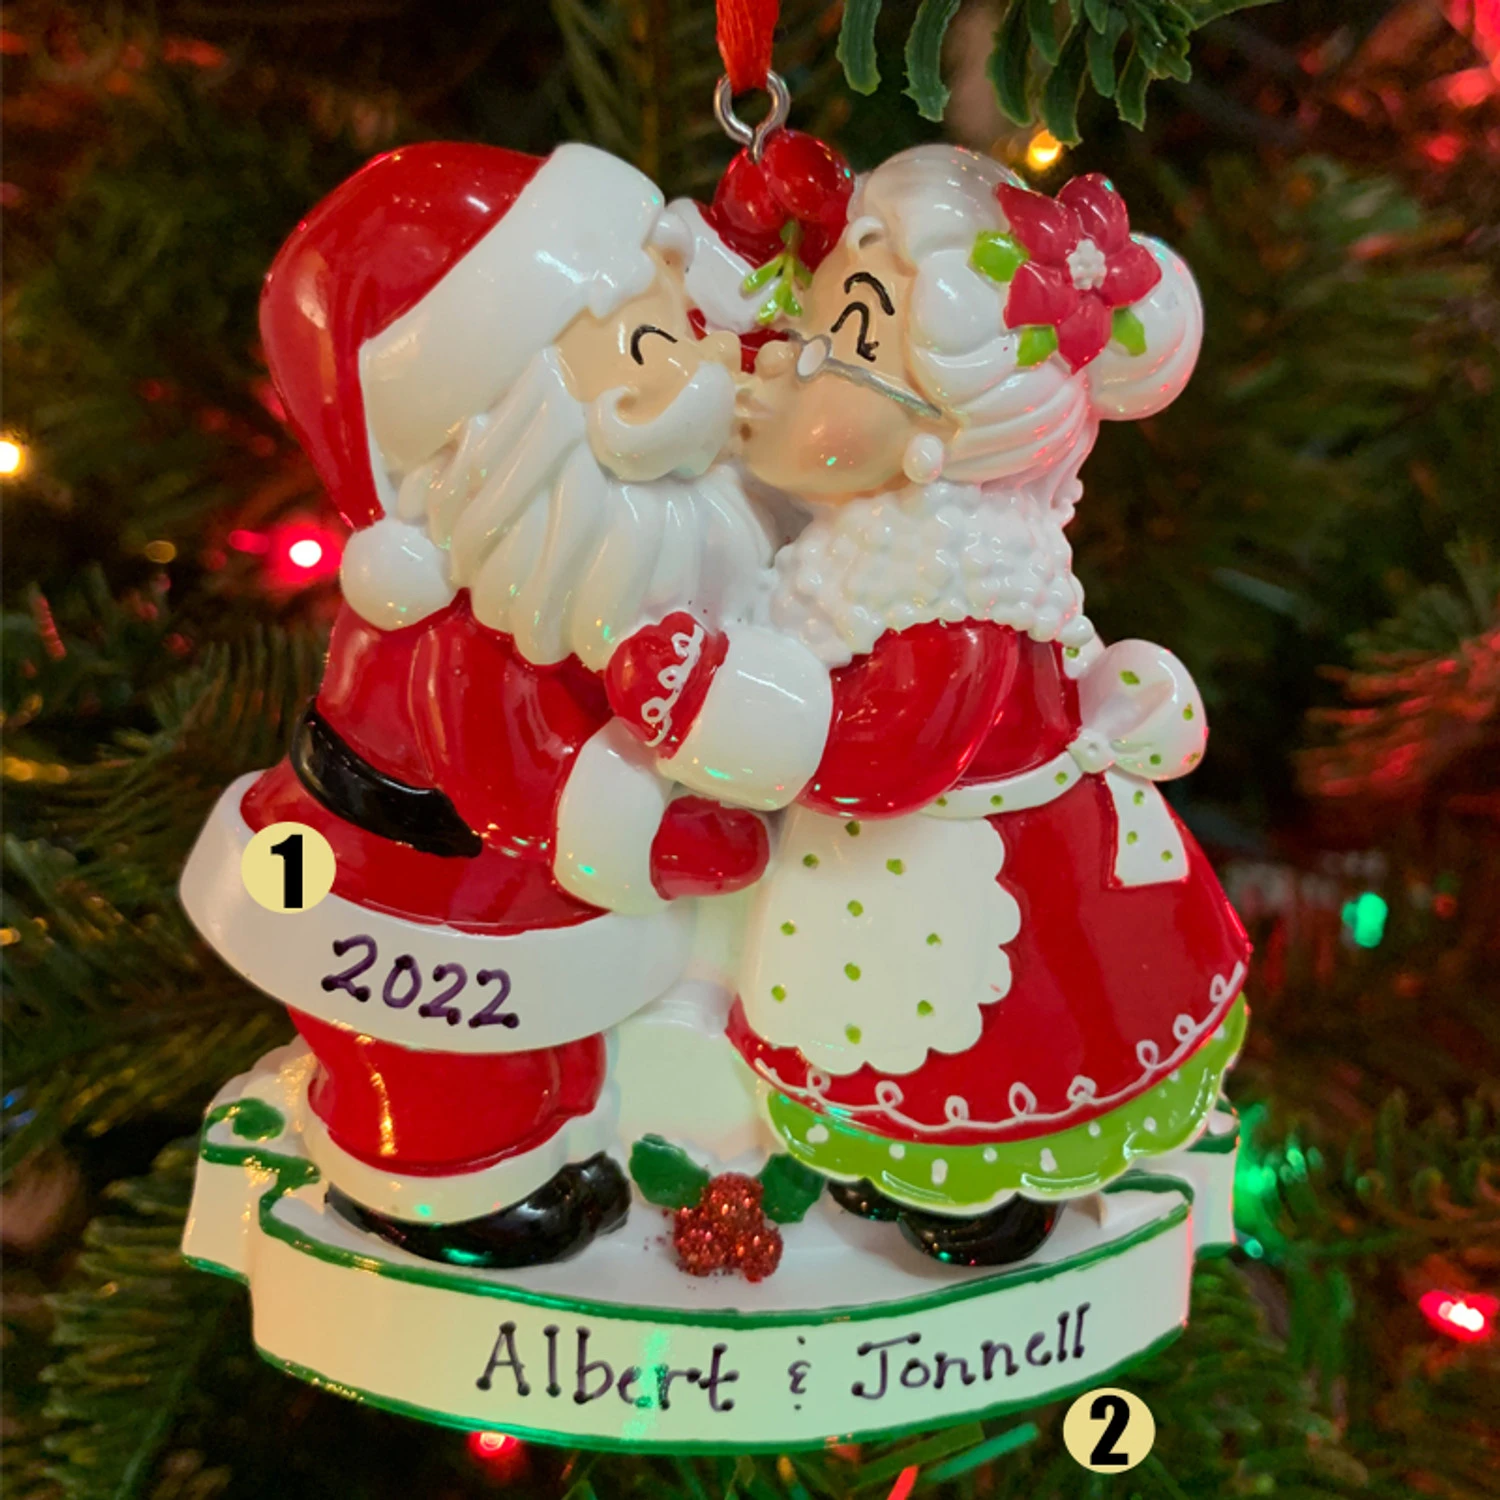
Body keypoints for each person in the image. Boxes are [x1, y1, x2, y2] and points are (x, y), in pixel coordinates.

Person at [607, 143, 1250, 1266]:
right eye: (808, 323)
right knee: (904, 1028)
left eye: (843, 344)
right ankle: (907, 1167)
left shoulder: (949, 601)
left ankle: (971, 1193)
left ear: (930, 446)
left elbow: (874, 758)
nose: (786, 359)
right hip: (898, 873)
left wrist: (699, 698)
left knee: (966, 1043)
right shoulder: (868, 556)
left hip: (954, 881)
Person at [182, 141, 780, 1269]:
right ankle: (439, 1196)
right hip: (410, 906)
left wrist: (751, 239)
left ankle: (544, 1145)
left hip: (507, 901)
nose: (698, 372)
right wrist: (674, 840)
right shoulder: (477, 621)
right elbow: (523, 779)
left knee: (557, 1048)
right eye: (650, 346)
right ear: (498, 420)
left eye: (685, 330)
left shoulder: (595, 550)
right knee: (444, 1073)